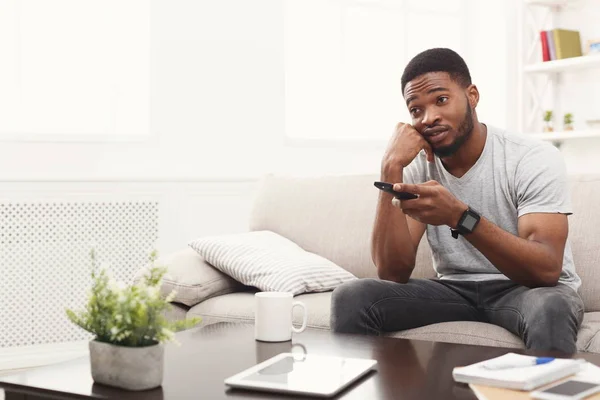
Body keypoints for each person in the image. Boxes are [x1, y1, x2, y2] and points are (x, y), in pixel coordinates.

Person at [330, 48, 584, 354]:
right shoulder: (417, 167)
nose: (429, 118)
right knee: (352, 297)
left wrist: (459, 217)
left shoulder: (531, 157)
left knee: (551, 308)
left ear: (472, 96)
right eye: (416, 110)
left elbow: (545, 271)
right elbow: (392, 272)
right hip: (454, 290)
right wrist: (390, 166)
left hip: (527, 292)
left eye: (441, 100)